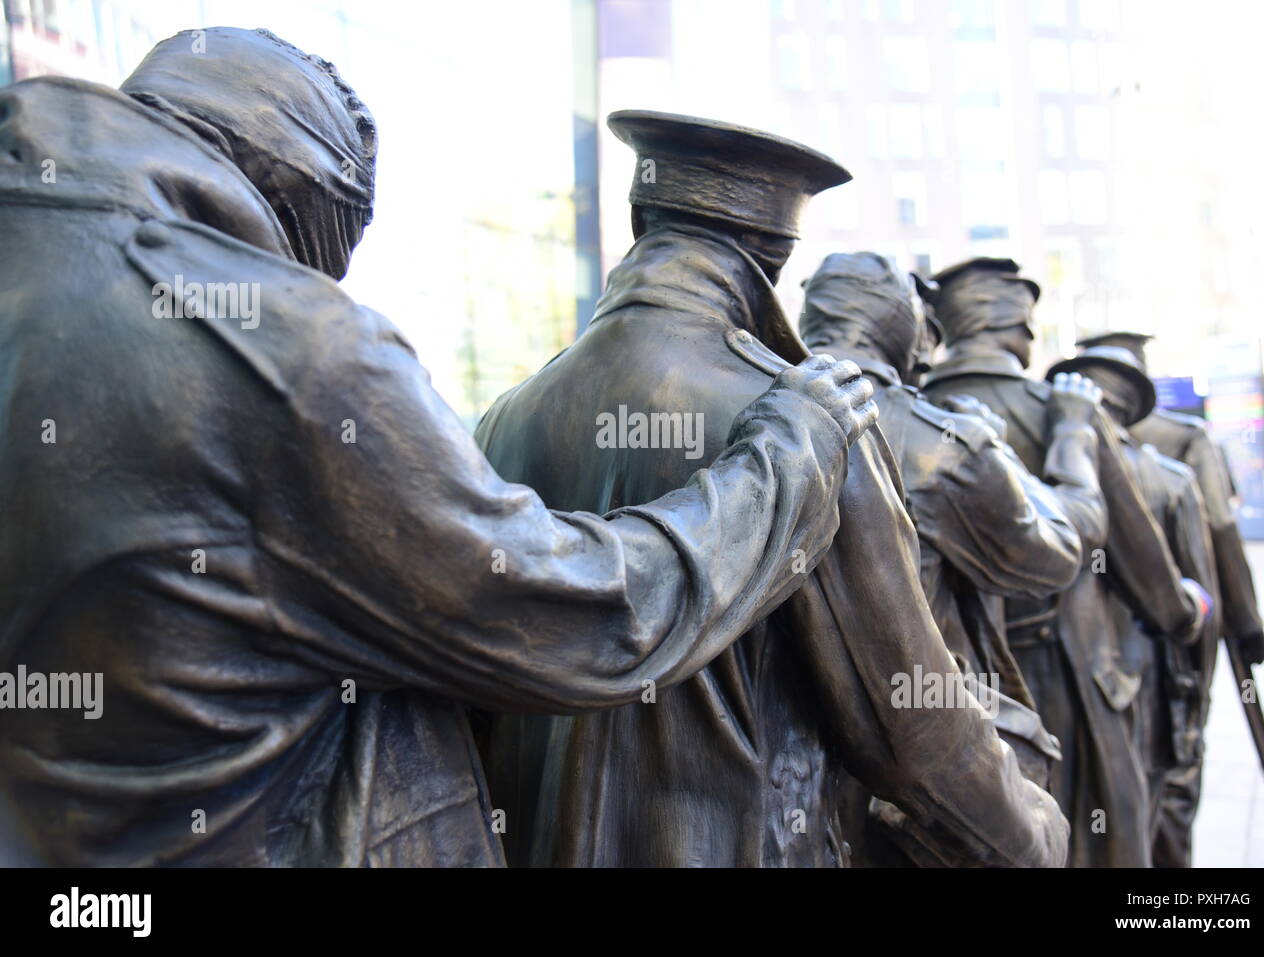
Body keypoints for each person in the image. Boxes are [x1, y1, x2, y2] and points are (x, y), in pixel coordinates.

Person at [0, 29, 878, 866]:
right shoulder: (287, 350)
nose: (315, 286)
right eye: (316, 261)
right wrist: (789, 456)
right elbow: (585, 617)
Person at [475, 113, 1069, 868]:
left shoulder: (507, 416)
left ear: (638, 219)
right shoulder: (813, 419)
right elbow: (913, 730)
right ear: (776, 257)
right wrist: (1032, 833)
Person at [798, 252, 1107, 864]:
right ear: (902, 328)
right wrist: (1069, 435)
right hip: (924, 791)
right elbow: (1065, 546)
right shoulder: (944, 442)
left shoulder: (748, 411)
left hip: (794, 791)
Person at [922, 258, 1205, 866]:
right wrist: (1185, 614)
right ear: (1019, 328)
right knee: (1103, 848)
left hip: (955, 691)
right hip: (1077, 688)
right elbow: (1142, 565)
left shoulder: (906, 409)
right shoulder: (1065, 409)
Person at [1075, 330, 1264, 865]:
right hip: (1154, 663)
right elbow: (1219, 541)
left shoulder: (1048, 448)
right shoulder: (1181, 448)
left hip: (1082, 673)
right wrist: (1245, 626)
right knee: (1168, 803)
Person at [1046, 345, 1218, 855]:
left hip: (1058, 685)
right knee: (1148, 829)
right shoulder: (1170, 479)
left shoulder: (1042, 459)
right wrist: (1195, 707)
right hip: (1144, 685)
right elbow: (1192, 617)